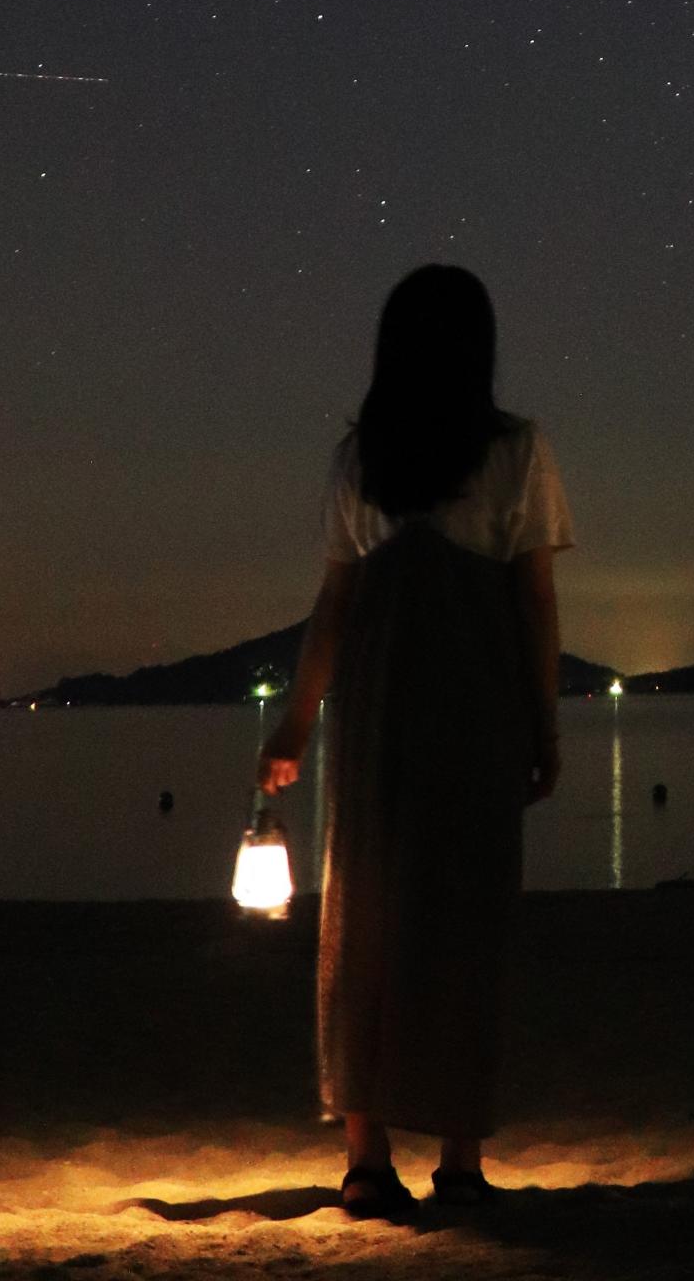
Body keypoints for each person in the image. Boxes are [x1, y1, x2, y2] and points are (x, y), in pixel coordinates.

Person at [256, 265, 573, 1218]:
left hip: (377, 719)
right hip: (474, 712)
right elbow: (533, 599)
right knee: (465, 929)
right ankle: (462, 1163)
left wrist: (299, 723)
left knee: (367, 929)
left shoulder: (362, 459)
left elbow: (336, 604)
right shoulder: (515, 452)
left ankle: (365, 1159)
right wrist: (543, 721)